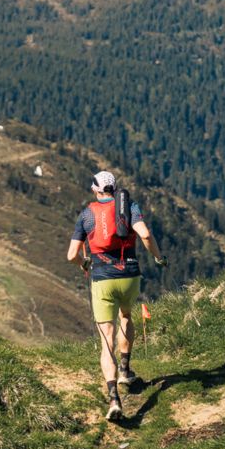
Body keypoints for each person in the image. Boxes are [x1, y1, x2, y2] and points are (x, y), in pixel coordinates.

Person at [66, 169, 166, 421]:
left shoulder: (87, 214)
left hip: (102, 279)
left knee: (105, 338)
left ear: (95, 189)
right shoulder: (128, 206)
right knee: (126, 317)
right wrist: (158, 257)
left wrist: (83, 264)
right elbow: (144, 234)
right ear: (114, 188)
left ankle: (113, 399)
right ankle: (125, 369)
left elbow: (71, 255)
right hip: (130, 276)